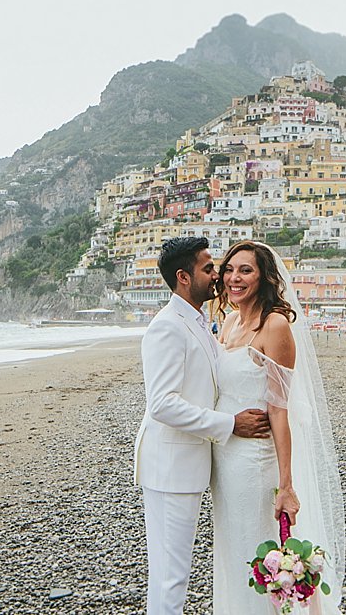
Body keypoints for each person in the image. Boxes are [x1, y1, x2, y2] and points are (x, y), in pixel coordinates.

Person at [134, 237, 271, 615]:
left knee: (176, 573)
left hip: (193, 465)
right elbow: (162, 404)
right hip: (170, 469)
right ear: (183, 277)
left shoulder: (199, 320)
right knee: (170, 576)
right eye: (209, 268)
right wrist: (229, 424)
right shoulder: (167, 327)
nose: (218, 275)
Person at [211, 241, 345, 613]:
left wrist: (286, 485)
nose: (234, 278)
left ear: (264, 276)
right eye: (230, 270)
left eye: (246, 270)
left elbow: (280, 411)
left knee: (258, 546)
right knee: (233, 549)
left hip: (256, 461)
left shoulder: (275, 325)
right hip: (226, 458)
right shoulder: (230, 320)